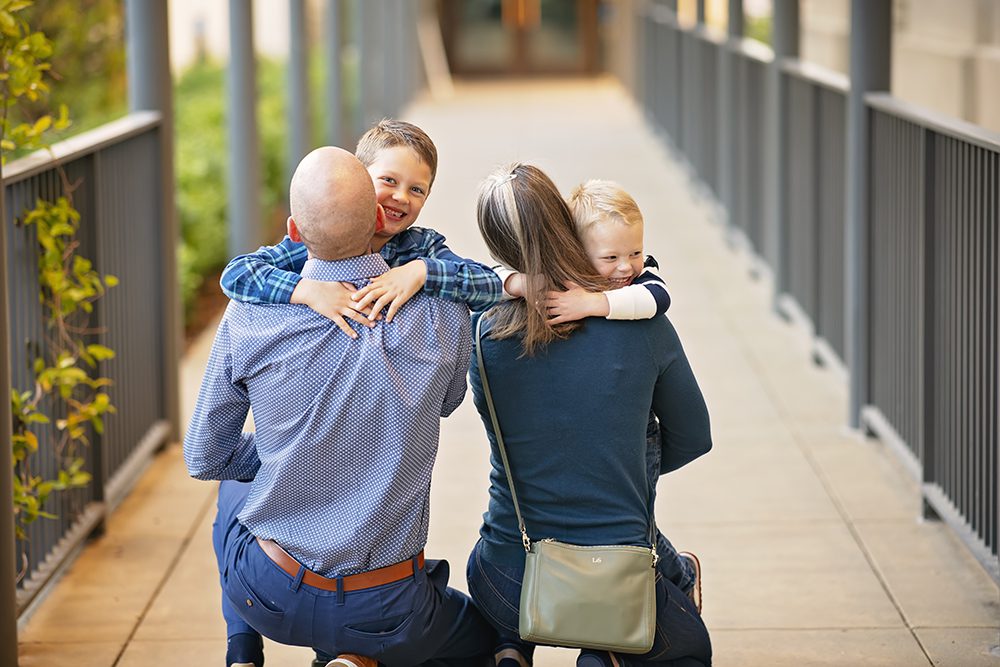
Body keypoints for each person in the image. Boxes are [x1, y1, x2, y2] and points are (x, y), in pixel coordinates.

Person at [185, 147, 496, 667]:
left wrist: (285, 458)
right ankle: (357, 656)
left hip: (267, 592)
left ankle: (243, 650)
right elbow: (447, 401)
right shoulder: (443, 311)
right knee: (481, 641)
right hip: (388, 608)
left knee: (233, 485)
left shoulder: (248, 317)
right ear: (378, 215)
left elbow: (203, 458)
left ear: (293, 229)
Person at [465, 163, 713, 667]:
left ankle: (510, 644)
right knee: (685, 649)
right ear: (566, 230)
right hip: (609, 573)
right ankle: (604, 652)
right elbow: (693, 437)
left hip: (506, 576)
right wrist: (621, 459)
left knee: (511, 597)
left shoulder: (480, 335)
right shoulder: (641, 323)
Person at [220, 119, 502, 335]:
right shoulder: (307, 243)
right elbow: (236, 274)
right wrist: (307, 290)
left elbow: (487, 285)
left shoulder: (420, 247)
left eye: (416, 189)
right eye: (389, 180)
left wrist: (421, 271)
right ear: (358, 178)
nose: (401, 197)